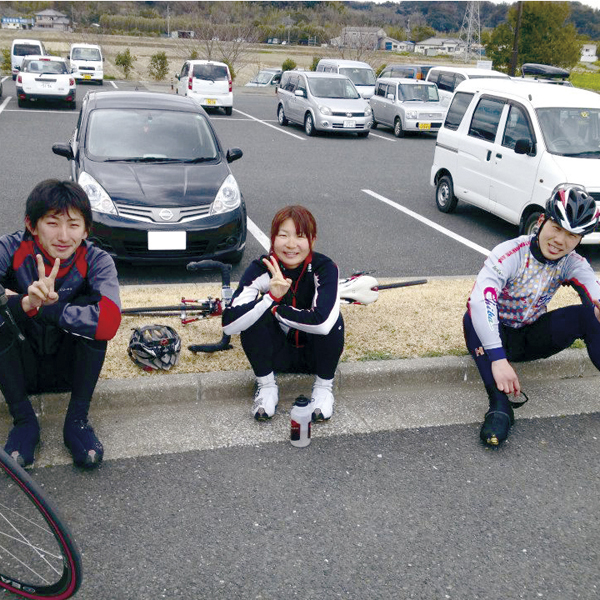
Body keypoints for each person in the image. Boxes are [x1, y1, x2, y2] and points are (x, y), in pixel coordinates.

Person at [464, 184, 600, 446]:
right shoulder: (511, 252)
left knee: (588, 315)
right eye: (557, 228)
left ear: (580, 240)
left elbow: (594, 293)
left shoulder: (572, 262)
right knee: (471, 315)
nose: (561, 240)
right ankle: (500, 406)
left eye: (572, 235)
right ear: (541, 221)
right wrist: (499, 359)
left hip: (531, 336)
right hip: (495, 339)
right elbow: (482, 301)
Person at [0, 179, 121, 468]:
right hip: (20, 367)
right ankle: (24, 420)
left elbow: (109, 323)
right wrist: (24, 303)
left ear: (86, 229)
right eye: (52, 223)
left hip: (68, 368)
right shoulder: (10, 248)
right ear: (32, 224)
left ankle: (77, 421)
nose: (63, 235)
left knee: (95, 324)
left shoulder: (98, 260)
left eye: (74, 225)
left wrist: (43, 309)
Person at [222, 205, 344, 422]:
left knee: (334, 320)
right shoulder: (262, 267)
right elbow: (229, 325)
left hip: (314, 356)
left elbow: (323, 323)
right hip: (277, 356)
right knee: (254, 314)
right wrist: (270, 298)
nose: (290, 245)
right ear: (272, 238)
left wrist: (277, 309)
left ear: (312, 241)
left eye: (299, 236)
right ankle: (267, 387)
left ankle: (324, 389)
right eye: (283, 235)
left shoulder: (324, 267)